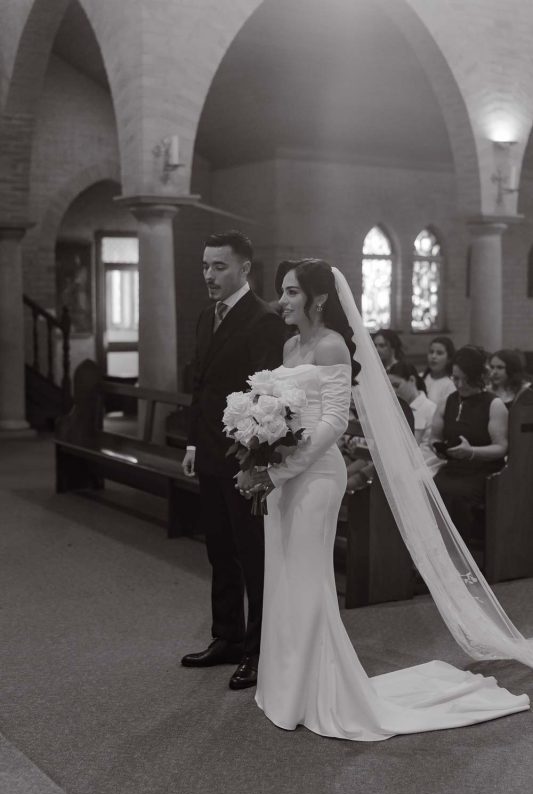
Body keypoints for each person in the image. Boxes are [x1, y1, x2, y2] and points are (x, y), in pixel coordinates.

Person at [236, 260, 529, 740]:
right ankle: (286, 685)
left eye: (291, 292)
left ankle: (316, 691)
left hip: (316, 477)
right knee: (282, 574)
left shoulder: (332, 345)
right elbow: (281, 414)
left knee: (308, 579)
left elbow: (333, 422)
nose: (281, 301)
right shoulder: (289, 346)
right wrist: (258, 453)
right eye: (282, 292)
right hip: (285, 476)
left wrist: (278, 470)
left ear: (318, 299)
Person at [181, 231, 285, 690]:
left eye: (219, 266)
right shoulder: (207, 316)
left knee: (253, 555)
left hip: (244, 456)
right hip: (208, 450)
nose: (209, 275)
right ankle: (227, 636)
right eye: (205, 266)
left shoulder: (264, 320)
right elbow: (199, 385)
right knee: (219, 550)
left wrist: (254, 459)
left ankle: (258, 651)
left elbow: (267, 396)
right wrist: (192, 444)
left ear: (244, 269)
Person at [432, 346, 508, 541]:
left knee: (458, 494)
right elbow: (435, 437)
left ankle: (462, 548)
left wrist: (471, 451)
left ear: (478, 376)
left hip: (483, 470)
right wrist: (439, 448)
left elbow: (501, 447)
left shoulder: (494, 404)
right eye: (455, 378)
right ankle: (435, 548)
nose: (460, 384)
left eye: (466, 379)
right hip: (454, 467)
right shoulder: (447, 401)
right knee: (430, 489)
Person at [388, 361, 436, 448]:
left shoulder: (430, 409)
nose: (393, 391)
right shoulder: (392, 409)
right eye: (390, 387)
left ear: (412, 380)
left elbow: (429, 448)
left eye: (396, 385)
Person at [423, 336, 456, 410]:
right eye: (431, 352)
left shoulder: (452, 384)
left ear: (449, 358)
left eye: (439, 353)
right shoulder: (420, 378)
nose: (433, 356)